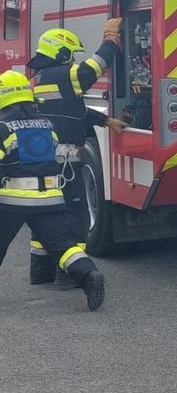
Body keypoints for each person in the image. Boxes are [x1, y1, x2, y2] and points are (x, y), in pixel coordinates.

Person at [27, 23, 125, 284]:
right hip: (65, 162)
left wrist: (105, 121)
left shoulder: (37, 80)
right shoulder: (62, 74)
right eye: (70, 54)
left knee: (47, 215)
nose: (72, 60)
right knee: (75, 215)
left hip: (45, 162)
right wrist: (111, 40)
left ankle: (41, 272)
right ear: (60, 54)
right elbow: (95, 66)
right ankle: (69, 275)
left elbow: (71, 113)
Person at [0, 71, 106, 310]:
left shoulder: (3, 128)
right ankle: (89, 275)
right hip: (48, 200)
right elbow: (56, 157)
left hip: (11, 202)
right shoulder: (48, 126)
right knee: (62, 245)